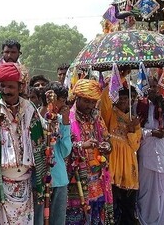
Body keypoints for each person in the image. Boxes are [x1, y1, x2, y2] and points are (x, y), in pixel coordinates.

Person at [0, 62, 47, 224]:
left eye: (11, 87)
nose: (6, 91)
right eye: (2, 86)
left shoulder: (30, 109)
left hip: (24, 188)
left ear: (21, 87)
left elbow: (45, 137)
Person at [66, 79, 114, 224]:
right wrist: (82, 145)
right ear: (77, 98)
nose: (90, 105)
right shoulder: (68, 118)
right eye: (86, 101)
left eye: (93, 102)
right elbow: (63, 147)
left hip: (98, 178)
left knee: (97, 217)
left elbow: (108, 141)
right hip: (77, 179)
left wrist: (106, 146)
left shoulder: (97, 117)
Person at [100, 87, 141, 224]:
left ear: (131, 100)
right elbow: (104, 101)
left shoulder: (134, 120)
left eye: (126, 98)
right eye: (120, 98)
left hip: (128, 165)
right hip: (113, 164)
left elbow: (135, 145)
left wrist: (131, 129)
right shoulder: (109, 114)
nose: (123, 101)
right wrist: (118, 78)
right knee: (112, 204)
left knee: (128, 206)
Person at [136, 78, 164, 225]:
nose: (153, 89)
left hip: (161, 152)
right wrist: (150, 133)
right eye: (150, 86)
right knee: (146, 189)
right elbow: (134, 129)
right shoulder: (139, 105)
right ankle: (144, 220)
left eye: (155, 86)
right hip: (146, 152)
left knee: (161, 189)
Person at [41, 82, 72, 225]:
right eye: (61, 100)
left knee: (58, 220)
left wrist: (66, 124)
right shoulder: (38, 120)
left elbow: (66, 151)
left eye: (65, 100)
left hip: (59, 178)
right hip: (40, 178)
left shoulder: (61, 121)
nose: (63, 104)